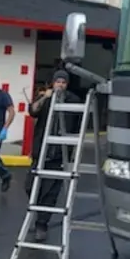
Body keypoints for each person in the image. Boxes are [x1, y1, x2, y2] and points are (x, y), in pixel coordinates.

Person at [26, 69, 81, 241]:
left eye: (63, 82)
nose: (60, 85)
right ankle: (38, 215)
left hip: (59, 154)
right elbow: (33, 111)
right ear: (53, 83)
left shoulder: (74, 101)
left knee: (50, 192)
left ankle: (42, 224)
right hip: (40, 152)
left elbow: (77, 128)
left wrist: (71, 152)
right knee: (30, 187)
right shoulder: (45, 99)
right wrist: (45, 97)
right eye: (58, 82)